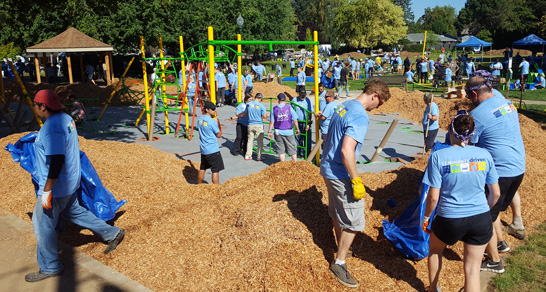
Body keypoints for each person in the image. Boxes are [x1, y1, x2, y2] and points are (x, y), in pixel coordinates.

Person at [26, 90, 125, 282]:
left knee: (42, 225)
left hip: (57, 187)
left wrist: (47, 190)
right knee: (75, 212)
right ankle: (112, 232)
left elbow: (56, 160)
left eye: (36, 105)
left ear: (42, 107)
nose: (35, 108)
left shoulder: (52, 127)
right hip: (70, 182)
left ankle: (50, 266)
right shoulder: (65, 119)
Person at [321, 80, 390, 288]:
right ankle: (339, 262)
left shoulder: (345, 105)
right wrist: (356, 180)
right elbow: (346, 150)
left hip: (328, 168)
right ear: (375, 95)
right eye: (380, 103)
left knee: (338, 212)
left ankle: (342, 248)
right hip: (341, 173)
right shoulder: (359, 114)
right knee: (354, 219)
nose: (378, 108)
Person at [422, 113, 501, 292]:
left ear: (450, 130)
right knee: (472, 270)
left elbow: (433, 197)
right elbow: (495, 193)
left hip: (449, 218)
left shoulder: (438, 156)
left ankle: (433, 288)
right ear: (473, 133)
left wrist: (427, 218)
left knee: (435, 251)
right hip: (480, 218)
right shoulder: (485, 154)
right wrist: (483, 210)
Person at [465, 71, 526, 273]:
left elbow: (470, 145)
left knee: (484, 216)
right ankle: (500, 243)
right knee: (493, 209)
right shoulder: (504, 101)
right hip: (518, 166)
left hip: (500, 171)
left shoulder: (477, 115)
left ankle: (494, 261)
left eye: (469, 98)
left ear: (474, 95)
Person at [267, 93, 299, 161]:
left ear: (278, 100)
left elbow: (271, 122)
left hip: (278, 131)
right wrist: (297, 128)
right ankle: (295, 163)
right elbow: (295, 120)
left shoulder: (274, 109)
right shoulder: (289, 108)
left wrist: (269, 131)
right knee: (292, 148)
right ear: (285, 100)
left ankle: (283, 164)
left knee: (280, 149)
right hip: (289, 131)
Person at [197, 101, 224, 184]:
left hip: (204, 148)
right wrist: (217, 122)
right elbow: (219, 135)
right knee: (215, 170)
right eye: (212, 109)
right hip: (212, 149)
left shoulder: (200, 119)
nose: (214, 110)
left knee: (203, 168)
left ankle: (198, 185)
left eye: (215, 109)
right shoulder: (212, 122)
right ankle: (216, 188)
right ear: (207, 110)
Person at [291, 87, 313, 158]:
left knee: (307, 139)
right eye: (301, 95)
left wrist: (308, 124)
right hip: (297, 122)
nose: (303, 97)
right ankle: (298, 152)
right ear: (298, 94)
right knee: (298, 138)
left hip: (305, 122)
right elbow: (291, 111)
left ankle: (308, 154)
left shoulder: (307, 101)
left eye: (304, 95)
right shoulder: (294, 100)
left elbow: (309, 112)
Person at [245, 93, 267, 161]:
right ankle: (259, 156)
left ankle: (248, 155)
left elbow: (246, 112)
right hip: (258, 124)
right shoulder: (261, 106)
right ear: (260, 98)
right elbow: (264, 116)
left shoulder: (249, 104)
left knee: (250, 140)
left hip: (250, 123)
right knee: (259, 141)